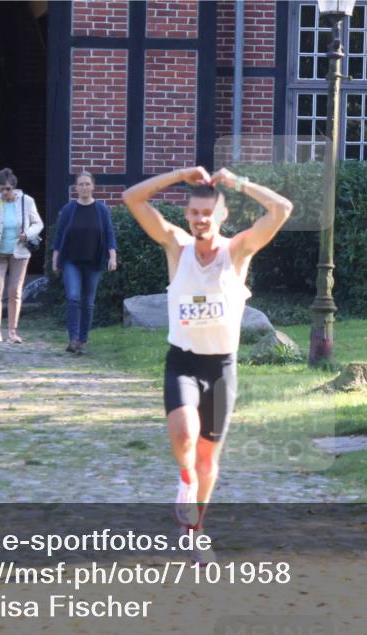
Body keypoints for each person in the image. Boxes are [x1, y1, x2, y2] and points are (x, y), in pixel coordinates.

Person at [122, 166, 293, 559]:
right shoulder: (176, 247)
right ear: (188, 215)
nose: (201, 220)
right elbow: (133, 198)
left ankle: (195, 532)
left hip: (221, 369)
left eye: (208, 213)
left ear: (222, 216)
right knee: (184, 435)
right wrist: (180, 174)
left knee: (207, 457)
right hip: (182, 362)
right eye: (195, 213)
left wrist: (239, 183)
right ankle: (184, 482)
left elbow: (281, 209)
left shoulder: (237, 252)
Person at [51, 171, 117, 354]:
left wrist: (112, 256)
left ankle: (82, 340)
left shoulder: (101, 210)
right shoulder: (68, 210)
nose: (85, 187)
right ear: (76, 187)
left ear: (93, 186)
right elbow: (58, 236)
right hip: (71, 260)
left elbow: (110, 233)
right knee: (73, 297)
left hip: (94, 261)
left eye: (87, 184)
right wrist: (55, 259)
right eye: (81, 184)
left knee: (88, 302)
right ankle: (73, 338)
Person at [0, 168, 44, 343]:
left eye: (7, 189)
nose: (4, 193)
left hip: (19, 252)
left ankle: (13, 331)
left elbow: (38, 223)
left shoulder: (26, 201)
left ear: (13, 187)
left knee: (15, 291)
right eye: (1, 189)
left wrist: (28, 234)